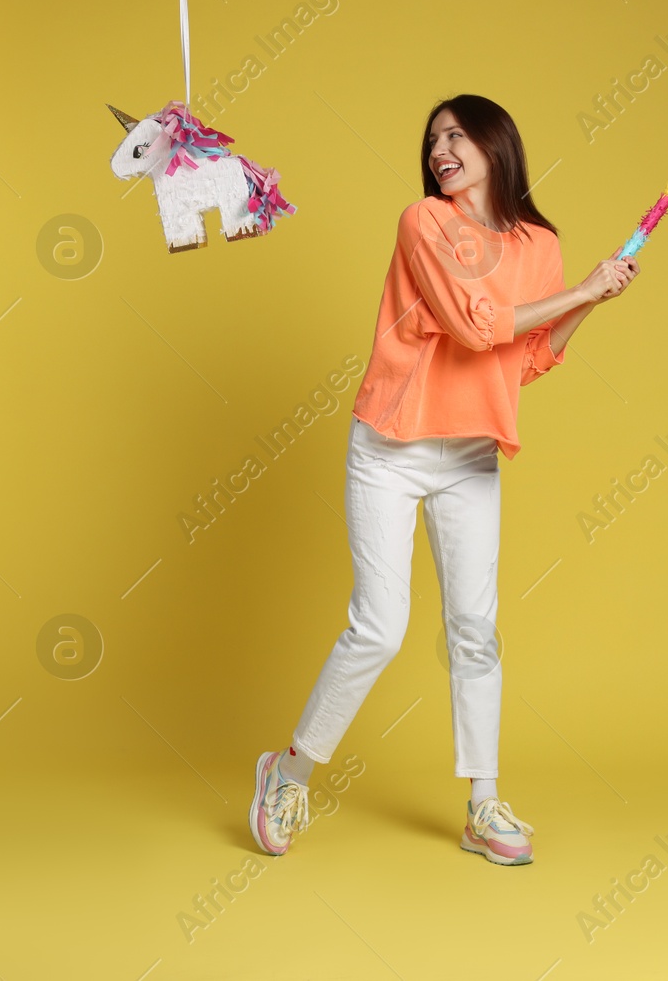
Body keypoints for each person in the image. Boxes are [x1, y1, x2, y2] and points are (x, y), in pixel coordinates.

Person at [249, 94, 638, 865]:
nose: (439, 150)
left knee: (475, 630)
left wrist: (593, 299)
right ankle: (285, 771)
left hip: (469, 454)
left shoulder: (539, 244)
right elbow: (473, 324)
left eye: (455, 135)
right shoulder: (423, 223)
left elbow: (525, 358)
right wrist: (582, 290)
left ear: (497, 143)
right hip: (390, 445)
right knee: (379, 625)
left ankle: (484, 803)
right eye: (432, 141)